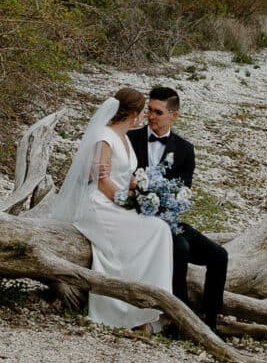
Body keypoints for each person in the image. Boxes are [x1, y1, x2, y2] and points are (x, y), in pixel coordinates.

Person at [51, 86, 176, 331]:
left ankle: (147, 308)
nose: (145, 117)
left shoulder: (125, 138)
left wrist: (141, 189)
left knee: (159, 229)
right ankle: (122, 310)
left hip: (115, 200)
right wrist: (127, 202)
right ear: (134, 114)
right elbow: (103, 181)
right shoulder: (104, 137)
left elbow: (123, 176)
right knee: (153, 230)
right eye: (143, 112)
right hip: (99, 204)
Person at [137, 85, 226, 332]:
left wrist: (164, 203)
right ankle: (180, 319)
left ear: (174, 115)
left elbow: (183, 190)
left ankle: (210, 322)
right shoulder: (131, 139)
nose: (151, 116)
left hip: (167, 218)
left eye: (158, 112)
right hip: (134, 218)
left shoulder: (185, 149)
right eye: (149, 110)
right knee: (181, 248)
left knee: (219, 255)